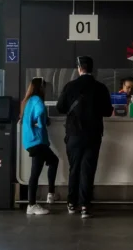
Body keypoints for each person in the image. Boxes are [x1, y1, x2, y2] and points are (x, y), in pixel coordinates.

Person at [56, 56, 113, 219]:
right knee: (88, 169)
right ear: (92, 69)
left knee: (74, 168)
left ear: (79, 68)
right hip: (93, 135)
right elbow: (108, 111)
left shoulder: (70, 86)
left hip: (73, 134)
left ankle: (71, 203)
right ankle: (85, 207)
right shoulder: (101, 88)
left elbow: (60, 107)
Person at [21, 77, 58, 215]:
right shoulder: (37, 100)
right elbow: (41, 112)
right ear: (41, 87)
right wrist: (42, 123)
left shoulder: (28, 100)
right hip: (37, 141)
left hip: (31, 141)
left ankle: (50, 194)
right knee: (35, 173)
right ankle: (32, 205)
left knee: (53, 160)